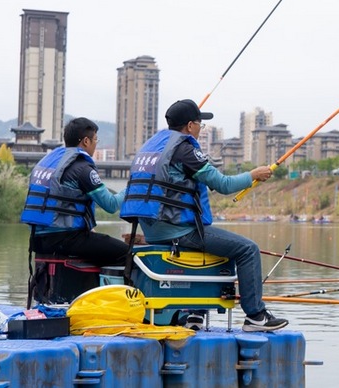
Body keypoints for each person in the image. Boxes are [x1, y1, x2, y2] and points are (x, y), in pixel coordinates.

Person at [120, 99, 288, 332]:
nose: (200, 129)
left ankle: (194, 314)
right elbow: (223, 184)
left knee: (213, 250)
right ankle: (255, 317)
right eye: (200, 124)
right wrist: (254, 175)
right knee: (247, 249)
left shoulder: (154, 148)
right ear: (189, 126)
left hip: (153, 231)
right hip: (178, 231)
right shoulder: (185, 150)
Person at [21, 117, 129, 266]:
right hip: (65, 239)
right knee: (127, 254)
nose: (96, 144)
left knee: (100, 246)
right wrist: (131, 188)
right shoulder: (82, 168)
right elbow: (110, 204)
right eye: (95, 140)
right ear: (86, 141)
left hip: (38, 240)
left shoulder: (51, 162)